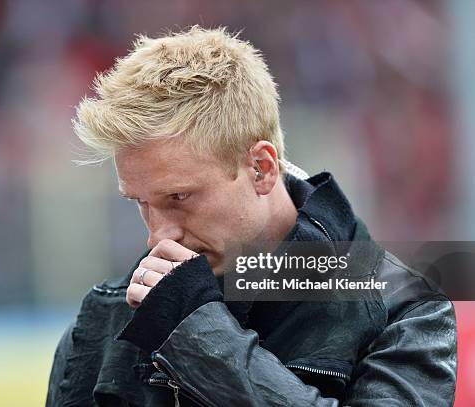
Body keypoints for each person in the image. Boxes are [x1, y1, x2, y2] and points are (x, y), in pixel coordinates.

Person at [46, 26, 457, 406]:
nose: (158, 236)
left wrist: (201, 337)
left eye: (179, 197)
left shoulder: (405, 309)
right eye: (140, 202)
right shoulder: (107, 315)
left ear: (262, 168)